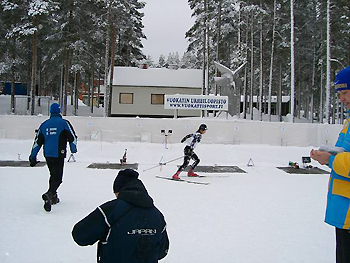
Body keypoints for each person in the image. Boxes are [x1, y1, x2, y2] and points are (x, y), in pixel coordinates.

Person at [72, 169, 169, 263]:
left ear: (120, 191)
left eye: (116, 194)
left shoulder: (110, 210)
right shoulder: (157, 215)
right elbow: (162, 251)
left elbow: (80, 235)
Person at [310, 66, 350, 263]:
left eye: (344, 92)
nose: (341, 99)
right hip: (343, 211)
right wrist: (327, 157)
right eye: (339, 94)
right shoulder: (348, 123)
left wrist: (331, 159)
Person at [29, 102, 77, 212]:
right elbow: (72, 137)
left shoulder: (44, 124)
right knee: (58, 178)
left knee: (53, 175)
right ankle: (49, 194)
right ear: (59, 111)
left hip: (48, 154)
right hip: (59, 153)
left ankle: (54, 197)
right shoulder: (64, 123)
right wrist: (73, 148)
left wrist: (33, 156)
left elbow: (37, 142)